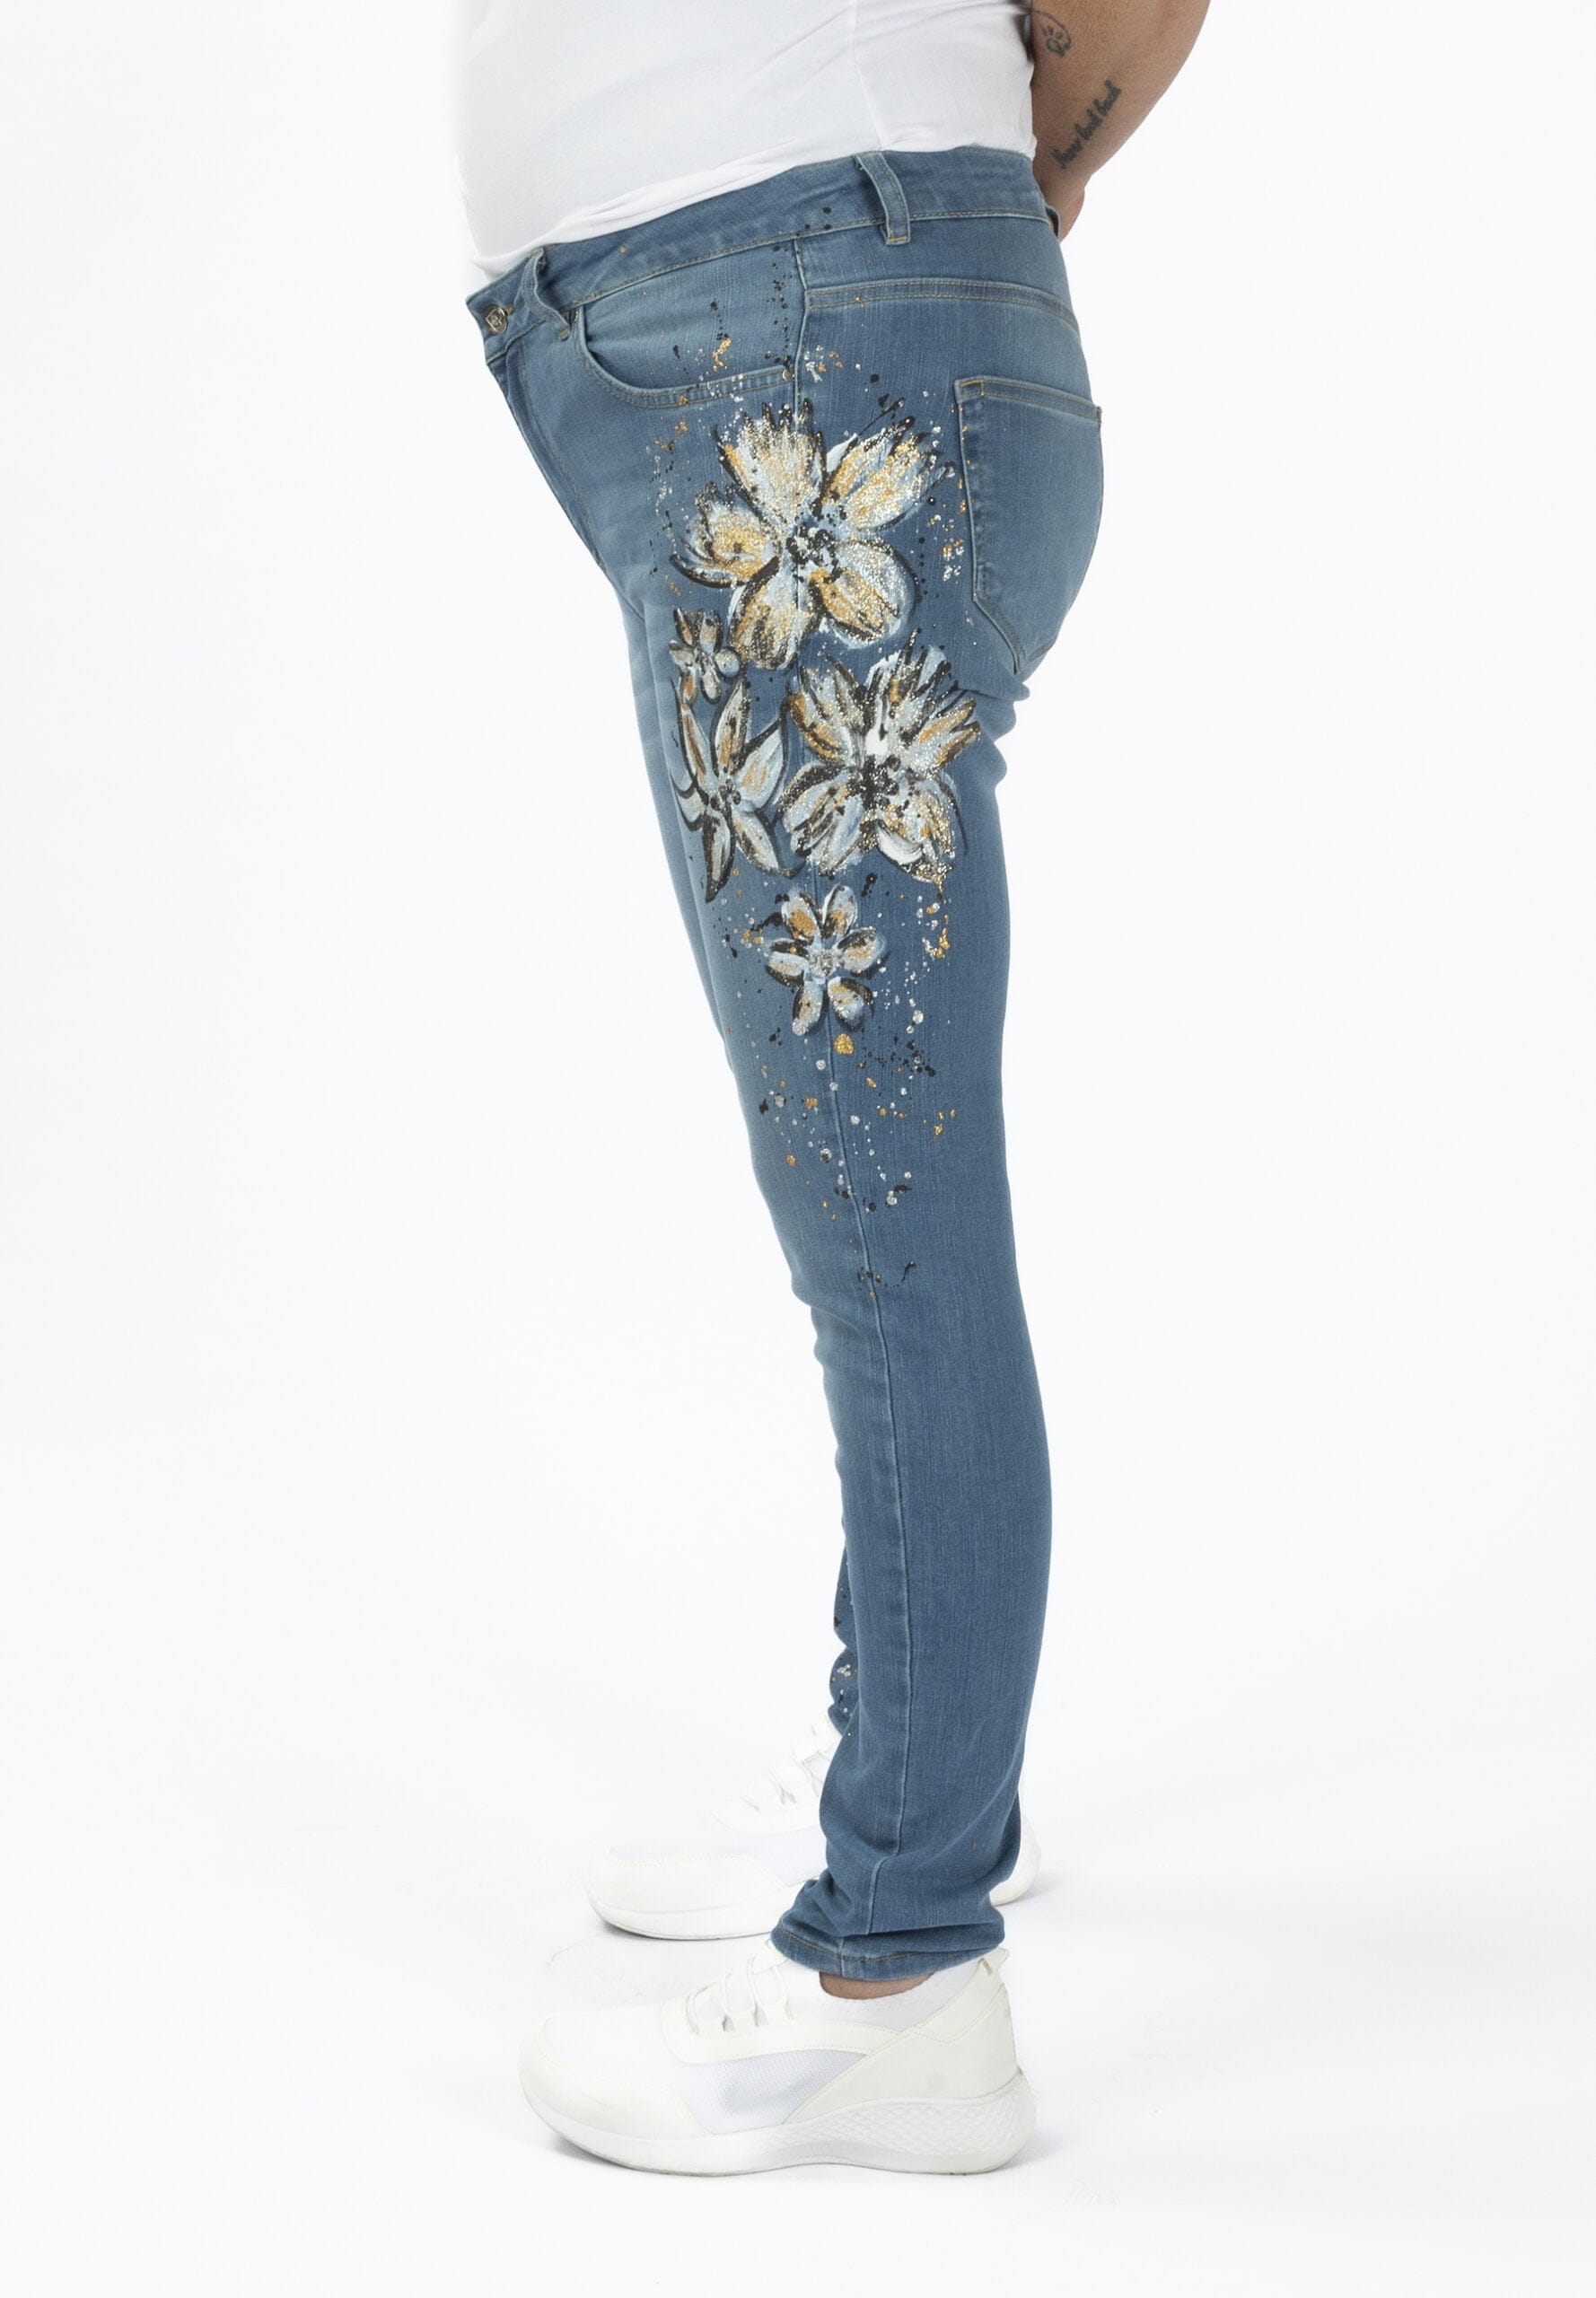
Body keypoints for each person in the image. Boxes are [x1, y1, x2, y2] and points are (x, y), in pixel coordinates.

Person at [453, 0, 1209, 2174]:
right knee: (883, 1193)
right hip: (775, 313)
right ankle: (923, 1759)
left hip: (802, 335)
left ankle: (904, 1970)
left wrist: (969, 178)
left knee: (886, 1219)